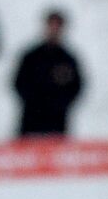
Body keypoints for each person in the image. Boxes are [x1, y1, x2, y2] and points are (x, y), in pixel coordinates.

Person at [13, 9, 83, 137]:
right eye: (51, 25)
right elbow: (18, 83)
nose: (54, 30)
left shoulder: (68, 59)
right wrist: (34, 102)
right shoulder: (31, 57)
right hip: (30, 122)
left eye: (57, 26)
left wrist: (60, 104)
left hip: (57, 124)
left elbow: (76, 87)